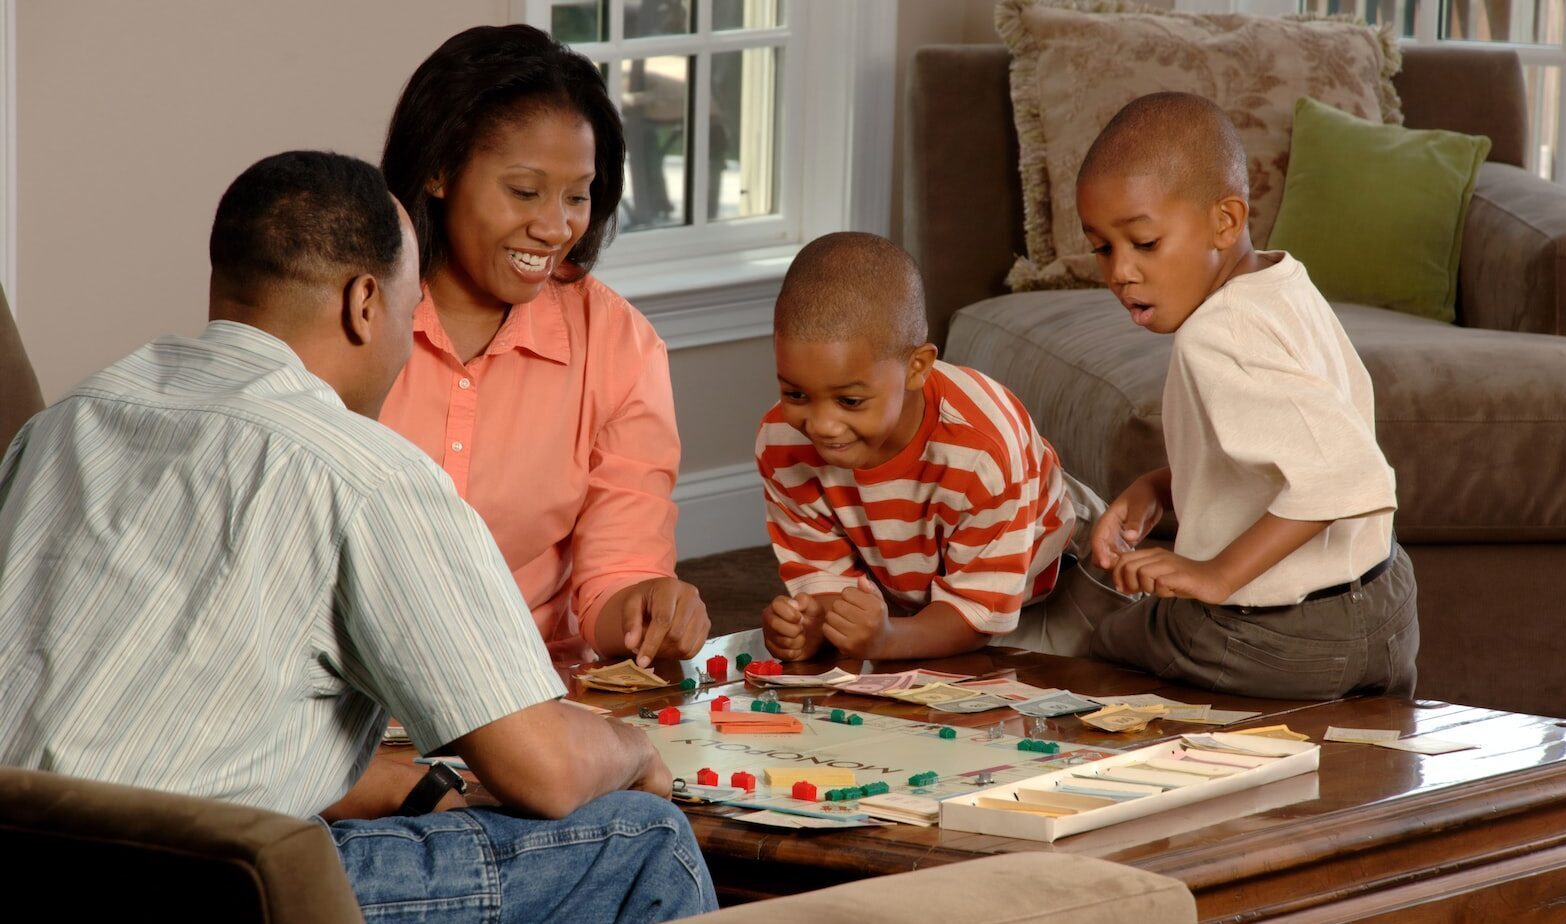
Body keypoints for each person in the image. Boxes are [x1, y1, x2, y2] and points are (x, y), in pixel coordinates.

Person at [0, 151, 716, 921]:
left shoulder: (65, 428)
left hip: (22, 867)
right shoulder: (364, 472)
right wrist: (635, 750)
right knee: (644, 839)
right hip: (202, 893)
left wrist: (422, 788)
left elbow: (195, 730)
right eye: (410, 315)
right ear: (364, 303)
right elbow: (542, 770)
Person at [379, 25, 709, 667]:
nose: (556, 226)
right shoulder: (354, 314)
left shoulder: (619, 345)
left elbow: (617, 572)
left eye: (578, 196)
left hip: (529, 686)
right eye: (525, 192)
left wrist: (647, 608)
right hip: (356, 692)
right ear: (441, 170)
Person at [1078, 92, 1419, 700]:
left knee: (1104, 642)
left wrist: (1213, 575)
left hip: (1279, 634)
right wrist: (1161, 485)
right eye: (1103, 248)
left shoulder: (1216, 334)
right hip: (1386, 607)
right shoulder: (1283, 282)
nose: (1119, 272)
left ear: (1225, 222)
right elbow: (1303, 445)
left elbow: (1347, 477)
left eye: (1144, 243)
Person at [755, 232, 1108, 661]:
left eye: (850, 401)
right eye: (796, 395)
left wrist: (886, 640)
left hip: (1058, 574)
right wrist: (818, 625)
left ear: (916, 368)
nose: (822, 425)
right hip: (921, 587)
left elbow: (975, 613)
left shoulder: (983, 449)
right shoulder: (782, 443)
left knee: (1060, 687)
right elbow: (829, 585)